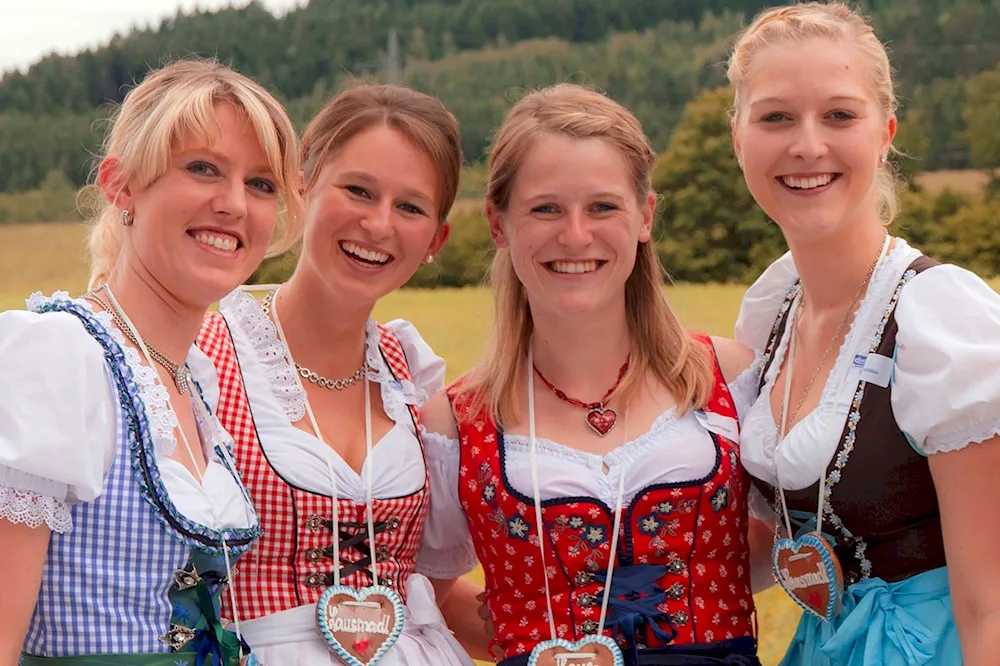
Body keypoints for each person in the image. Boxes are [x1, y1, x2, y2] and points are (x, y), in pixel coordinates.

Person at [420, 82, 767, 666]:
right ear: (499, 224)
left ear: (644, 217)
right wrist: (523, 629)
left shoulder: (728, 377)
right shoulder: (455, 422)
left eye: (602, 207)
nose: (575, 235)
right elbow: (425, 593)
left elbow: (786, 536)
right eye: (546, 208)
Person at [0, 58, 304, 665]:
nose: (234, 204)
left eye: (262, 184)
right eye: (202, 169)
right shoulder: (59, 355)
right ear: (122, 186)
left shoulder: (194, 378)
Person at [728, 3, 1000, 664]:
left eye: (840, 115)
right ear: (738, 136)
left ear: (885, 134)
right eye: (776, 117)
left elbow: (989, 602)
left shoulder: (938, 316)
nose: (808, 145)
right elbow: (780, 539)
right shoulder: (774, 307)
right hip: (829, 643)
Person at [195, 83, 491, 666]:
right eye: (358, 190)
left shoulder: (413, 377)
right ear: (303, 186)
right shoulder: (205, 354)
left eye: (410, 207)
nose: (378, 224)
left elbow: (433, 589)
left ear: (436, 238)